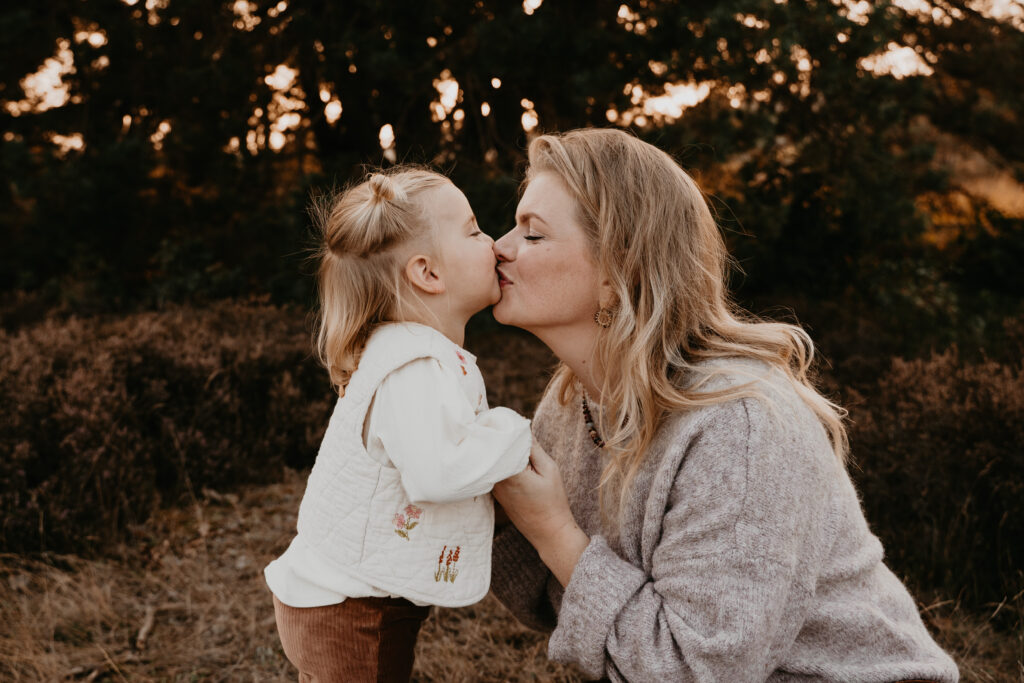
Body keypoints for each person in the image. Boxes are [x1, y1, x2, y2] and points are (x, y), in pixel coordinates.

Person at [488, 128, 960, 683]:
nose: (500, 246)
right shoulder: (572, 400)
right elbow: (551, 603)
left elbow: (696, 670)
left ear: (617, 271)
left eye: (533, 234)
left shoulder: (738, 425)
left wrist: (552, 529)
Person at [264, 167, 531, 682]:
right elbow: (437, 474)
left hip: (339, 600)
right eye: (474, 231)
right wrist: (513, 433)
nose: (494, 244)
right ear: (428, 274)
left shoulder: (408, 351)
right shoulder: (415, 367)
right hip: (352, 611)